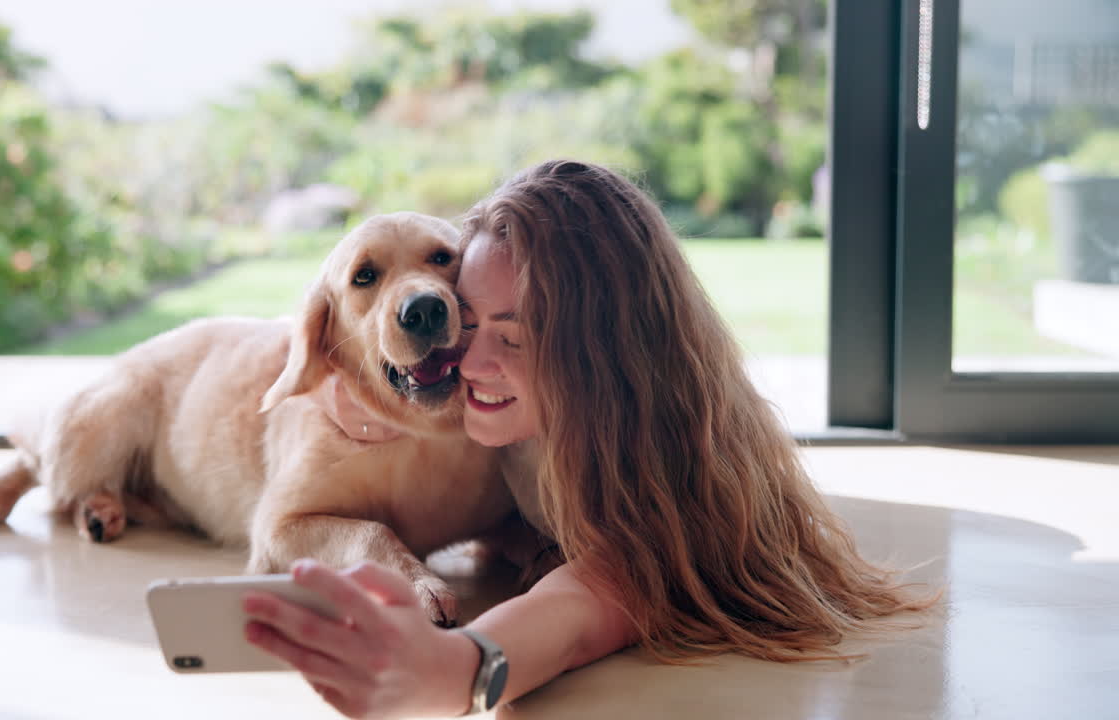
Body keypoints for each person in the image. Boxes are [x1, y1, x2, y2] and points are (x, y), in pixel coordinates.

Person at [239, 160, 933, 718]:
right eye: (469, 320)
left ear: (604, 358)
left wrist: (456, 673)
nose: (466, 362)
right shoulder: (495, 402)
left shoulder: (655, 475)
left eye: (513, 337)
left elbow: (577, 609)